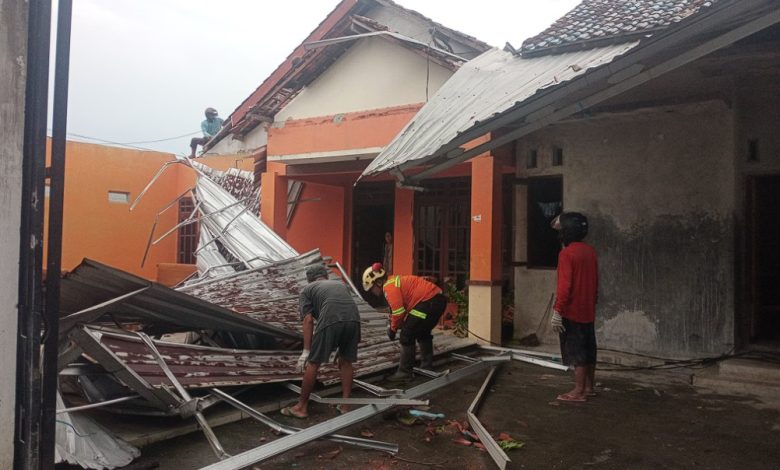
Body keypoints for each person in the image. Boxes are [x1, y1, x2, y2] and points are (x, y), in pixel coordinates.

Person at [281, 264, 361, 418]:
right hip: (354, 321)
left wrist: (306, 351)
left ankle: (301, 407)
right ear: (326, 276)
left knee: (313, 363)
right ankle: (345, 406)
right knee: (346, 362)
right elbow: (348, 310)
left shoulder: (307, 290)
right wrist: (344, 342)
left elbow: (308, 320)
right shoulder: (341, 284)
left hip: (330, 319)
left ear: (309, 279)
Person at [362, 262, 446, 381]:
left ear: (379, 282)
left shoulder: (388, 287)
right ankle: (427, 366)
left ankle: (405, 372)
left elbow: (399, 313)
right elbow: (395, 311)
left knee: (406, 334)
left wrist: (393, 329)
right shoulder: (393, 282)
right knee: (422, 332)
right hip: (436, 301)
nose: (372, 292)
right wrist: (394, 324)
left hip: (428, 302)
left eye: (371, 288)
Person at [550, 212, 599, 403]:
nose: (559, 234)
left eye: (561, 230)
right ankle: (589, 387)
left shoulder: (567, 254)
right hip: (588, 309)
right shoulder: (590, 251)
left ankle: (578, 391)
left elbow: (564, 286)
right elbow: (595, 282)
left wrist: (557, 311)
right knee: (588, 349)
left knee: (576, 351)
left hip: (572, 310)